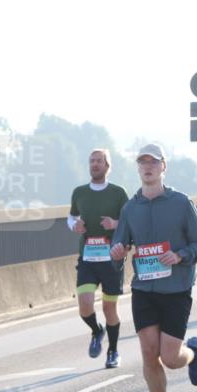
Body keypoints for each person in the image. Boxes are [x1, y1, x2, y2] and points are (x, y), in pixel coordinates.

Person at [110, 144, 197, 392]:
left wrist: (180, 256)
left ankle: (193, 352)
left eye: (153, 162)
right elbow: (120, 244)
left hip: (176, 288)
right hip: (144, 289)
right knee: (148, 352)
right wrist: (117, 250)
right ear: (138, 169)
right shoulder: (130, 208)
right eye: (142, 162)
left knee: (170, 358)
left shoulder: (181, 203)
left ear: (163, 166)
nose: (147, 167)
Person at [68, 149, 129, 368]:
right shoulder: (79, 192)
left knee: (109, 309)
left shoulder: (118, 193)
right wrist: (75, 225)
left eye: (99, 161)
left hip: (112, 259)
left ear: (107, 166)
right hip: (87, 259)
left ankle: (113, 352)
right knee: (85, 306)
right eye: (92, 161)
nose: (95, 164)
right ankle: (96, 331)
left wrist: (115, 224)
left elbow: (130, 221)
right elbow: (72, 216)